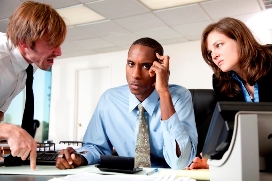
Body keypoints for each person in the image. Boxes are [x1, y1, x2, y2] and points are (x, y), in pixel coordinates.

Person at [56, 37, 198, 170]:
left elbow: (180, 162)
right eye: (131, 64)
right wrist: (79, 157)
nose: (135, 74)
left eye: (145, 66)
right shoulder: (109, 100)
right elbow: (97, 147)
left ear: (158, 69)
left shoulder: (179, 97)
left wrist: (163, 91)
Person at [186, 17, 272, 170]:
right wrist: (215, 161)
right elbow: (232, 130)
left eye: (219, 45)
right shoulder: (221, 82)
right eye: (210, 52)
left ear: (240, 39)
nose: (214, 55)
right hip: (258, 158)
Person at [0, 1, 66, 170]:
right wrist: (9, 131)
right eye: (51, 43)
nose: (59, 52)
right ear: (24, 42)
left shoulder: (31, 64)